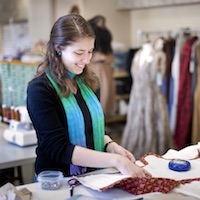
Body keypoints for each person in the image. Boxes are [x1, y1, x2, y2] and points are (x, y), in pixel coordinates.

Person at [27, 13, 146, 178]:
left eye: (90, 51)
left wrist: (111, 146)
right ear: (58, 49)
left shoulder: (90, 82)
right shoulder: (40, 89)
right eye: (79, 53)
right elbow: (58, 148)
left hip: (92, 177)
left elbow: (93, 130)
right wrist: (115, 161)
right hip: (57, 181)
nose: (86, 59)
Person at [88, 15, 116, 116]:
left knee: (106, 93)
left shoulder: (105, 32)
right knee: (100, 93)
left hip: (105, 66)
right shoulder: (91, 31)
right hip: (96, 66)